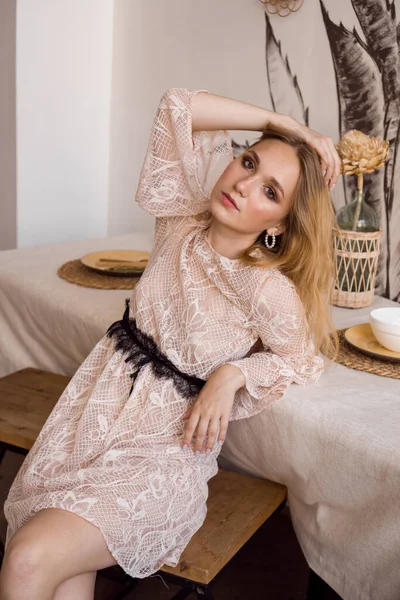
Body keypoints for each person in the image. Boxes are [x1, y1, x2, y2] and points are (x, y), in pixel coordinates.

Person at [1, 88, 340, 600]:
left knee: (29, 557)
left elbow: (300, 359)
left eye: (271, 192)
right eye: (248, 162)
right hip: (90, 424)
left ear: (279, 225)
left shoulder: (265, 287)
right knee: (62, 574)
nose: (245, 184)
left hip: (161, 455)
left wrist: (233, 375)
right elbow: (177, 107)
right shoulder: (179, 220)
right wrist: (282, 120)